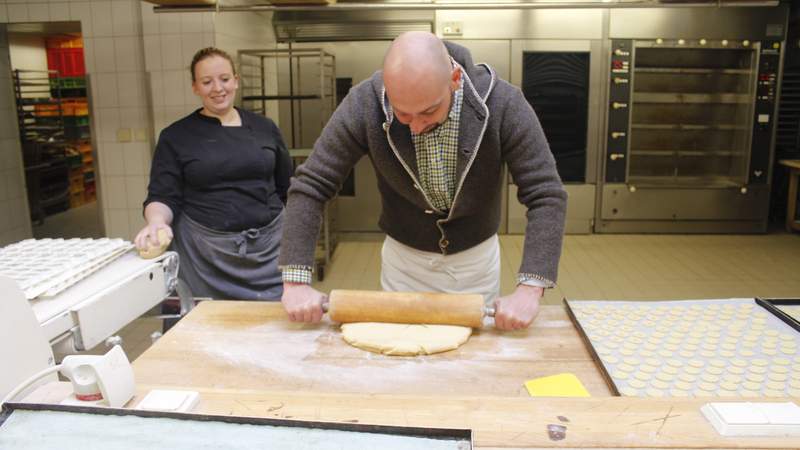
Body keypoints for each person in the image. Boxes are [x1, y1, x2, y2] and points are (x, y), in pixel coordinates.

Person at [279, 32, 567, 330]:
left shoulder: (504, 103)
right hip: (405, 264)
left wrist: (530, 288)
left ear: (454, 79)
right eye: (402, 114)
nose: (415, 127)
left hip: (474, 264)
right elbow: (312, 185)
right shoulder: (365, 102)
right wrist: (296, 279)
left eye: (429, 110)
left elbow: (545, 193)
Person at [135, 47, 292, 301]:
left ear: (236, 81)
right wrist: (156, 221)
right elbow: (162, 194)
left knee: (273, 326)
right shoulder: (176, 136)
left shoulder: (265, 128)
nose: (218, 88)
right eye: (207, 82)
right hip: (206, 257)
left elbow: (286, 187)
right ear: (195, 87)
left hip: (269, 252)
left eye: (225, 79)